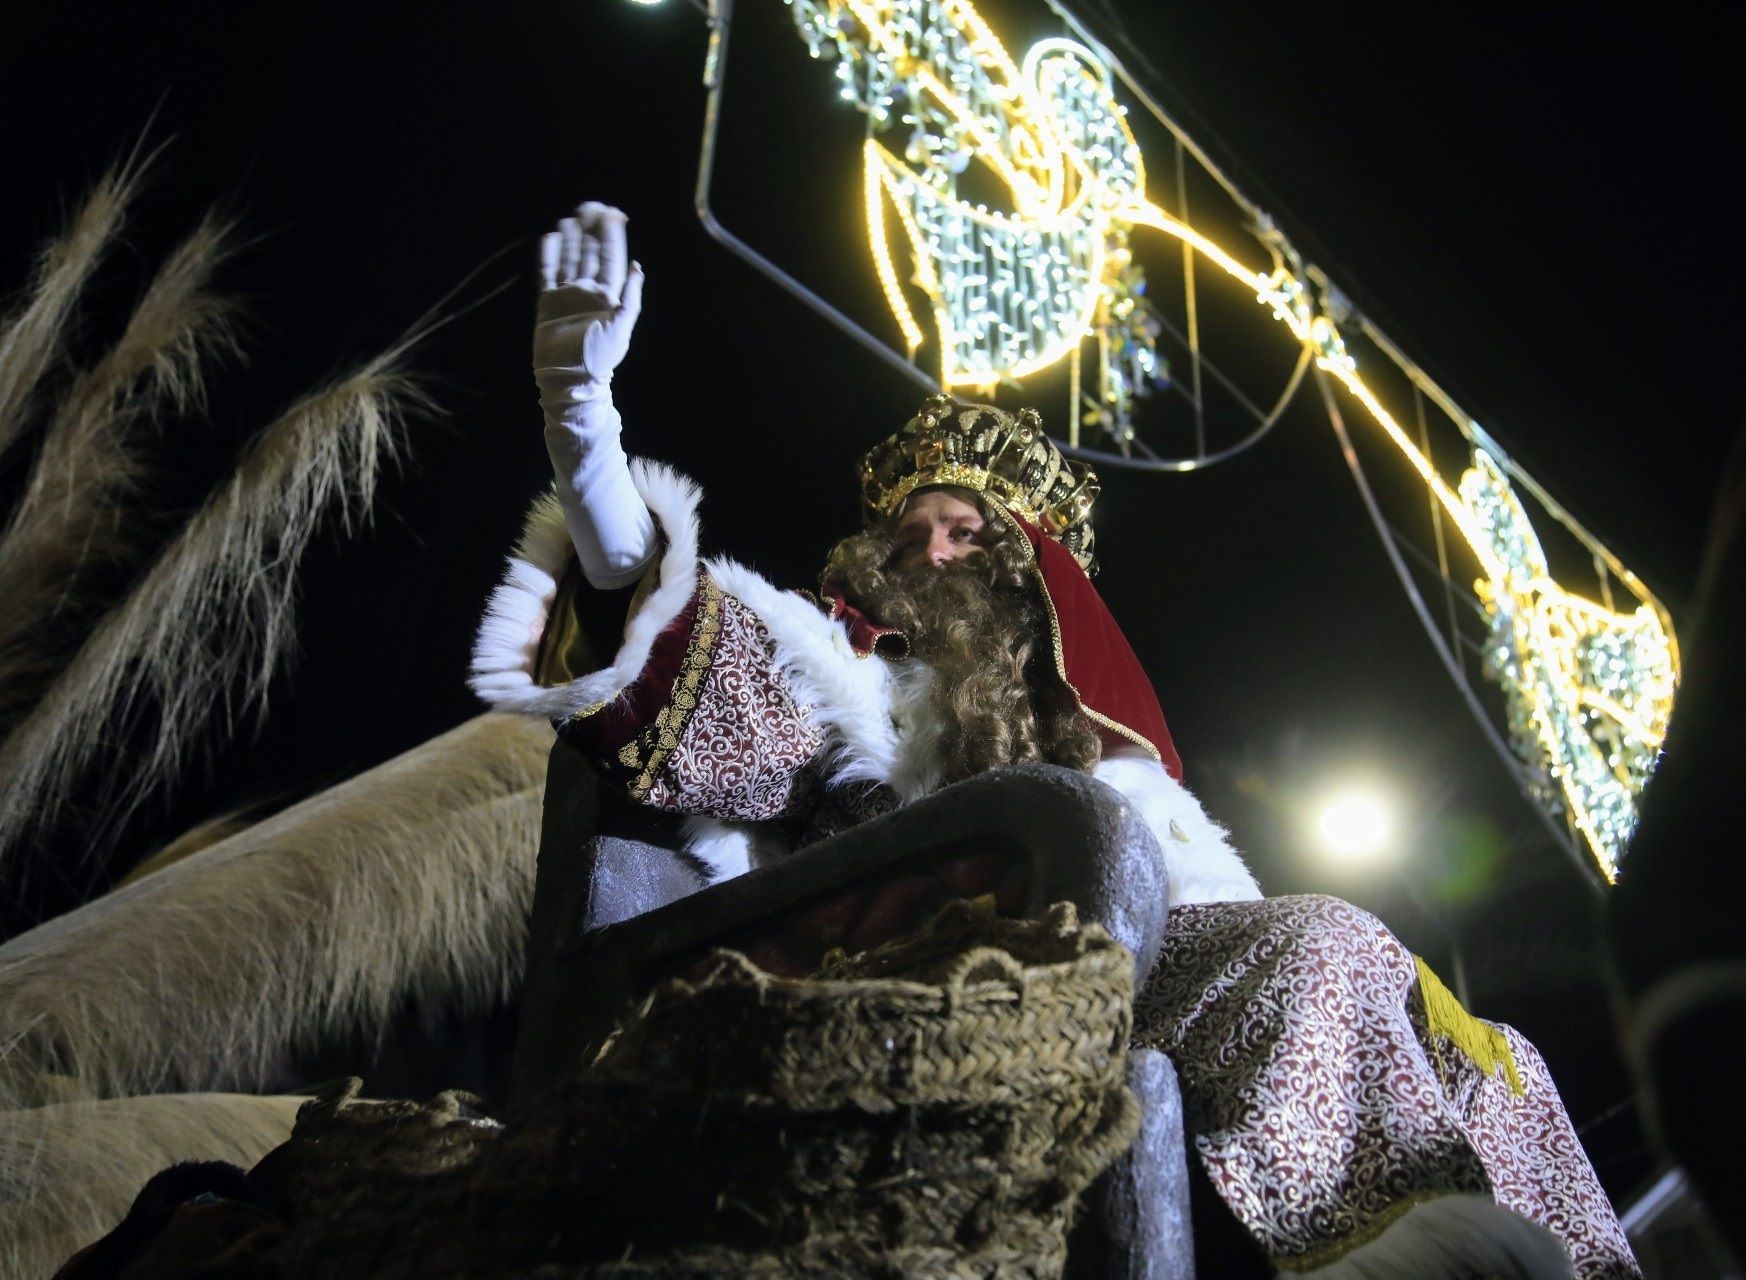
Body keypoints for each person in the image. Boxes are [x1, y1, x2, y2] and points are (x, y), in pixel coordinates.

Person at [470, 202, 1640, 1278]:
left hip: (1124, 953)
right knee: (1319, 948)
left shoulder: (1105, 761)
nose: (933, 551)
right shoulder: (836, 682)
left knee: (1497, 1057)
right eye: (913, 531)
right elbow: (657, 612)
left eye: (968, 531)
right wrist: (582, 414)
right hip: (938, 969)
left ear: (1033, 578)